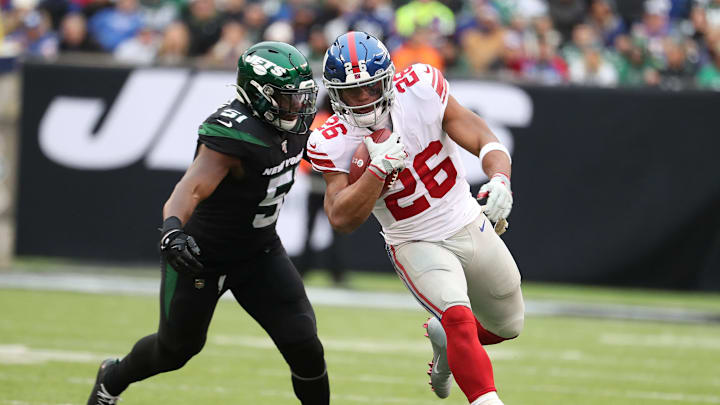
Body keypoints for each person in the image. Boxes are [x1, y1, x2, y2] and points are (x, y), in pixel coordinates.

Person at [87, 41, 330, 405]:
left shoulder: (297, 120)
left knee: (304, 343)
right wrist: (172, 230)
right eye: (287, 98)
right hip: (204, 256)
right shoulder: (233, 131)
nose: (298, 106)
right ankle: (113, 377)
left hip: (260, 252)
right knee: (175, 351)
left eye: (301, 97)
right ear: (258, 95)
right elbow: (191, 187)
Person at [307, 31, 524, 405]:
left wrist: (500, 178)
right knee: (457, 315)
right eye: (350, 92)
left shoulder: (421, 89)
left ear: (388, 80)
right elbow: (339, 218)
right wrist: (377, 172)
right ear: (334, 93)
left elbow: (481, 136)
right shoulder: (331, 139)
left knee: (508, 325)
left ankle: (443, 338)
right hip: (413, 240)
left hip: (466, 217)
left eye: (370, 88)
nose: (361, 100)